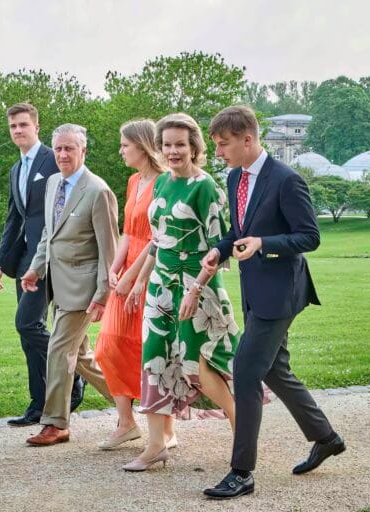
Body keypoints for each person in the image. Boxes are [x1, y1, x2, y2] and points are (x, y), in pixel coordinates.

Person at [201, 105, 345, 499]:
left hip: (281, 293)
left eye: (224, 144)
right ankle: (326, 438)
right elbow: (239, 231)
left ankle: (242, 472)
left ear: (247, 139)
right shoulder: (235, 177)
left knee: (246, 371)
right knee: (276, 371)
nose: (219, 152)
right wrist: (220, 250)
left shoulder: (287, 180)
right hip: (255, 290)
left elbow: (309, 236)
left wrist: (263, 244)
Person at [122, 113, 239, 471]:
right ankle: (156, 445)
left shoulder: (205, 187)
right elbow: (158, 240)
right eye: (167, 145)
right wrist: (140, 281)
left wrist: (196, 289)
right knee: (154, 359)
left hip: (196, 287)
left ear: (194, 147)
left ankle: (243, 433)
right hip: (161, 286)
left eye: (180, 145)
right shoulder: (161, 183)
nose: (173, 151)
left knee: (198, 366)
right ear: (159, 148)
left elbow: (220, 247)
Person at [20, 123, 118, 446]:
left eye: (69, 148)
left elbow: (109, 251)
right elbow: (49, 234)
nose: (62, 154)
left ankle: (55, 423)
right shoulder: (52, 183)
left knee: (59, 349)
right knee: (83, 358)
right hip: (58, 286)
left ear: (83, 151)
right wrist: (35, 269)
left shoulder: (98, 191)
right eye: (59, 148)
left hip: (84, 291)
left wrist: (103, 295)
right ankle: (129, 402)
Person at [0, 103, 84, 428]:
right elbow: (13, 219)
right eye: (13, 126)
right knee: (27, 335)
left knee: (27, 324)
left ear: (36, 127)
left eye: (23, 124)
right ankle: (38, 404)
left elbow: (69, 203)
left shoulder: (53, 158)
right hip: (26, 259)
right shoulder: (16, 170)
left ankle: (75, 373)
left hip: (53, 258)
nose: (18, 130)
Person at [93, 119, 163, 450]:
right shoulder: (134, 181)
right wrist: (114, 268)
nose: (120, 151)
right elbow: (128, 232)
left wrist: (132, 276)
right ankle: (126, 423)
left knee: (147, 349)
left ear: (143, 145)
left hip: (149, 271)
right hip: (126, 270)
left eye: (125, 145)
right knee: (108, 347)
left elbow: (156, 239)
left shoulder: (164, 183)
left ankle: (163, 428)